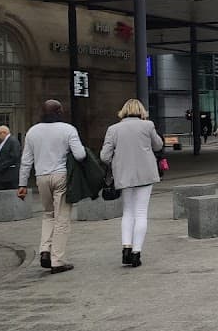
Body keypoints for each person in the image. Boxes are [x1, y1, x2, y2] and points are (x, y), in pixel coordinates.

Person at [18, 100, 87, 274]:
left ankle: (44, 250)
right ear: (59, 112)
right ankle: (58, 260)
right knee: (62, 218)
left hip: (41, 177)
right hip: (61, 175)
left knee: (48, 214)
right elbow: (80, 155)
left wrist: (22, 184)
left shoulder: (32, 131)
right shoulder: (68, 129)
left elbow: (26, 161)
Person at [100, 98, 164, 268]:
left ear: (123, 111)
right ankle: (136, 252)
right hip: (145, 174)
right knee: (141, 212)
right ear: (141, 111)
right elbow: (158, 145)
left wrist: (117, 160)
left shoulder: (113, 129)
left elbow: (104, 156)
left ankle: (126, 248)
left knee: (128, 212)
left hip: (124, 175)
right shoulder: (147, 125)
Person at [0, 125, 21, 190]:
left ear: (4, 133)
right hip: (2, 175)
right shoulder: (3, 142)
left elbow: (15, 157)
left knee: (11, 194)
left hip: (10, 175)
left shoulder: (13, 141)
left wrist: (2, 166)